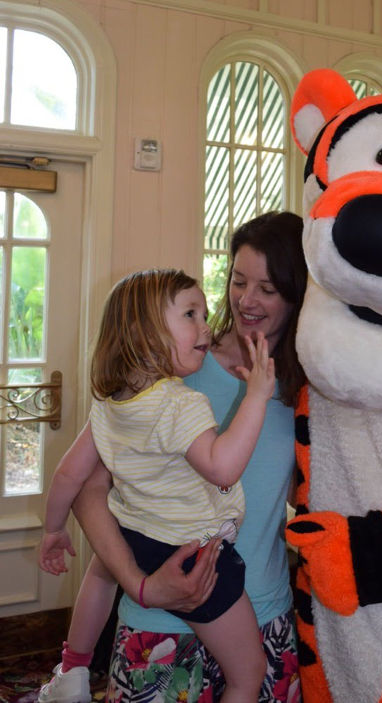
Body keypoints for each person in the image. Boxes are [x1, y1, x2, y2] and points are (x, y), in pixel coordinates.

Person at [69, 211, 307, 702]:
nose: (247, 300)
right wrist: (140, 586)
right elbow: (88, 490)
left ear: (299, 293)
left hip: (264, 616)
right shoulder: (174, 366)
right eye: (238, 281)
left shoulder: (310, 387)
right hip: (158, 621)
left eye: (268, 288)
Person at [38, 268, 278, 703]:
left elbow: (68, 476)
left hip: (138, 538)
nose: (205, 326)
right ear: (143, 334)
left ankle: (73, 671)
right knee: (248, 673)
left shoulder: (112, 405)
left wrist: (53, 530)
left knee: (102, 569)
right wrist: (257, 397)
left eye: (204, 313)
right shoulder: (181, 404)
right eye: (190, 314)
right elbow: (222, 468)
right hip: (193, 556)